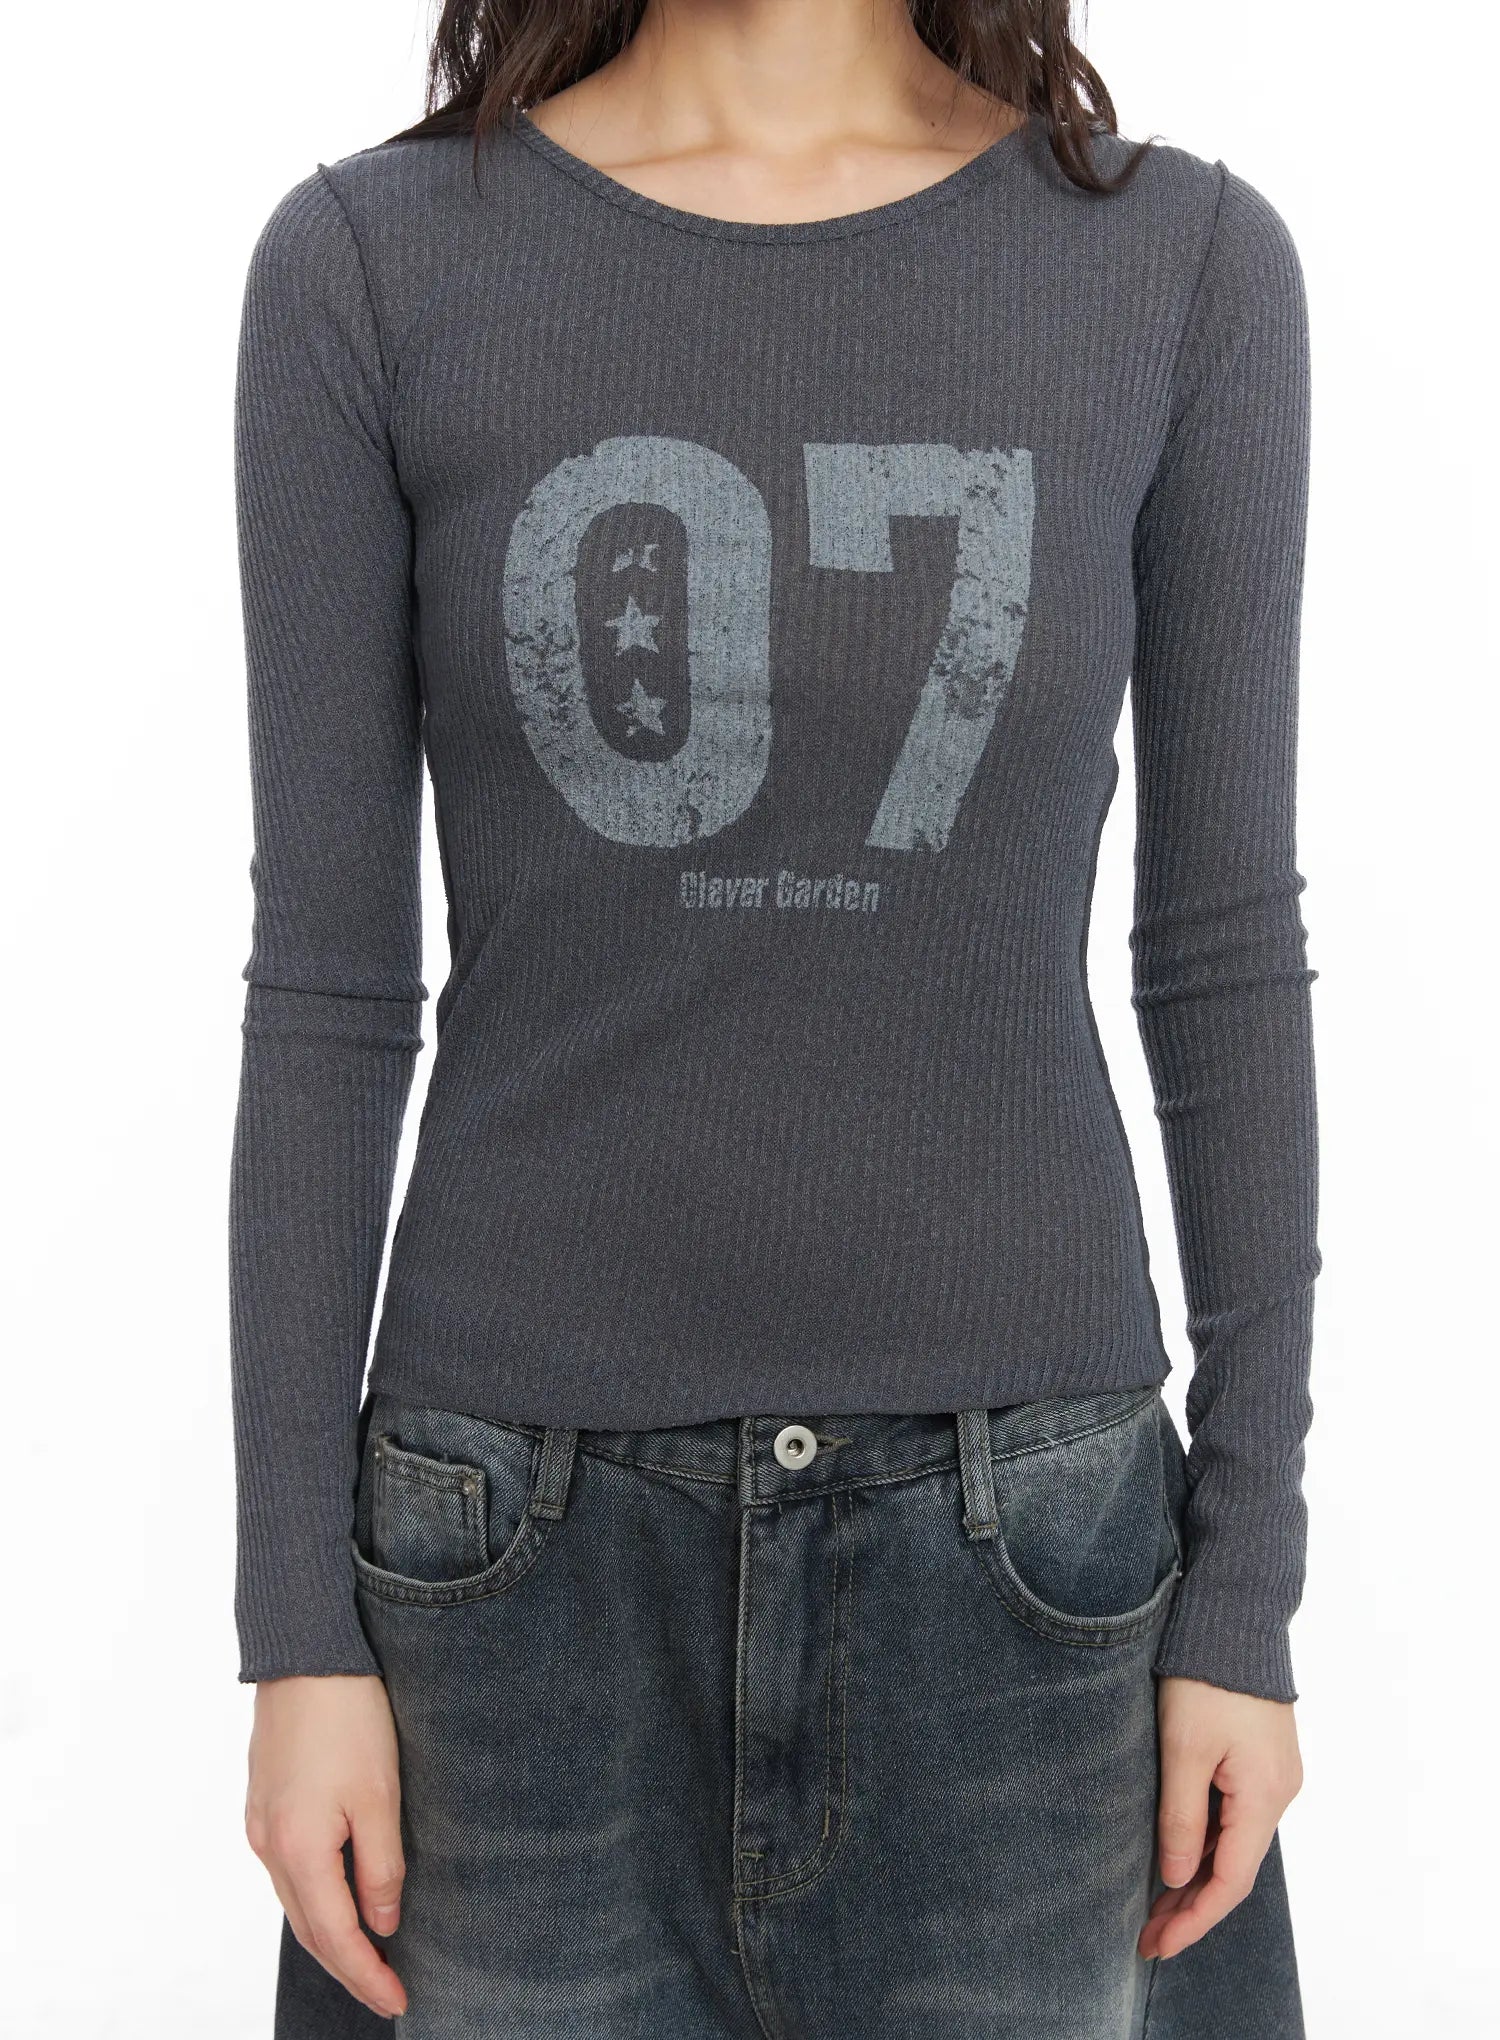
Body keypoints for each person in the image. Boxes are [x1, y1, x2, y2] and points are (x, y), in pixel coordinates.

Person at [229, 2, 1319, 2033]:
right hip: (506, 1591)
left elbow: (1222, 953)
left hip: (1035, 1584)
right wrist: (296, 1626)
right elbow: (328, 993)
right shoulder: (372, 267)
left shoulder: (1175, 268)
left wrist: (1245, 1596)